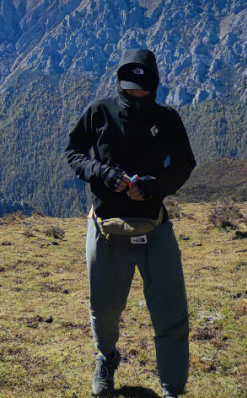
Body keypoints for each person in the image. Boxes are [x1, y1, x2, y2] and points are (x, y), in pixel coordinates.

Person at [65, 48, 197, 398]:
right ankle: (106, 358)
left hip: (154, 227)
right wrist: (103, 173)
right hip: (107, 229)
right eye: (129, 93)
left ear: (154, 87)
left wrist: (154, 187)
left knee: (171, 311)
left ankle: (172, 389)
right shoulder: (99, 113)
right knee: (104, 310)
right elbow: (74, 153)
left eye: (143, 93)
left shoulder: (167, 120)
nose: (136, 98)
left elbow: (184, 165)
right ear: (120, 86)